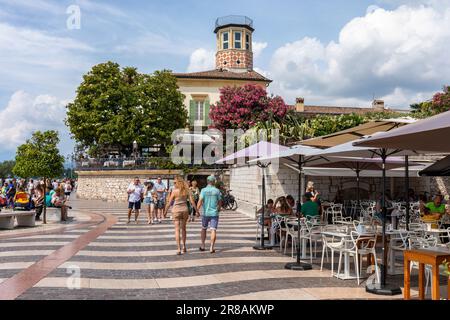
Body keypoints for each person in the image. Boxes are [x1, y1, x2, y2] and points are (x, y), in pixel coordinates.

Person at [164, 176, 196, 255]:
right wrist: (197, 211)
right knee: (184, 229)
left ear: (178, 183)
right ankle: (184, 246)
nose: (174, 184)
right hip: (185, 210)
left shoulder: (174, 191)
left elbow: (169, 203)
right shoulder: (187, 191)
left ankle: (179, 249)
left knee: (177, 230)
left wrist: (165, 212)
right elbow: (192, 202)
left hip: (176, 211)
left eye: (175, 182)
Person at [197, 175, 222, 254]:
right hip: (214, 213)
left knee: (204, 228)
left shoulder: (203, 190)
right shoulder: (217, 191)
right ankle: (211, 247)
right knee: (213, 229)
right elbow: (220, 201)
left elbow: (200, 201)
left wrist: (197, 211)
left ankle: (203, 245)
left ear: (207, 181)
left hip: (205, 213)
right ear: (214, 182)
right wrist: (218, 208)